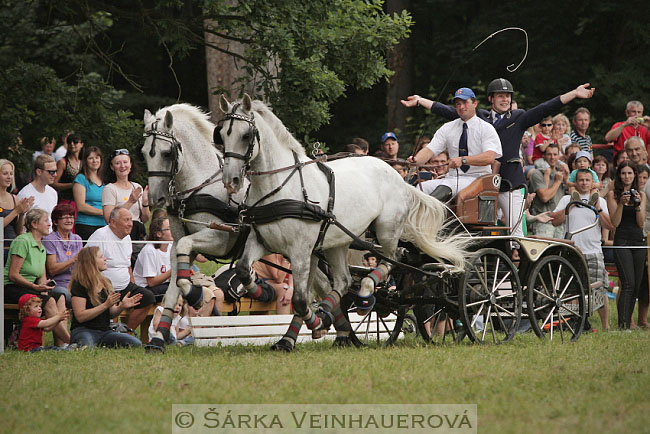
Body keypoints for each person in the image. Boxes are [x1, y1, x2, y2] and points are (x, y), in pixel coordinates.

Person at [403, 80, 595, 239]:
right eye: (500, 96)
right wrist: (420, 101)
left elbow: (546, 107)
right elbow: (448, 110)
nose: (505, 99)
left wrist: (574, 94)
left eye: (508, 96)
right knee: (482, 230)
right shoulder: (480, 117)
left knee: (516, 234)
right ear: (490, 99)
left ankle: (523, 275)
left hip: (508, 183)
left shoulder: (518, 117)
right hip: (482, 180)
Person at [406, 87, 502, 200]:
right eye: (458, 104)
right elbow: (429, 150)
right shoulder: (448, 128)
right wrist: (416, 160)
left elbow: (490, 157)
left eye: (465, 102)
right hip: (452, 178)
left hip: (478, 178)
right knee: (421, 188)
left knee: (446, 187)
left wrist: (463, 160)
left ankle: (432, 214)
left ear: (475, 103)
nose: (461, 107)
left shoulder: (486, 128)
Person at [550, 169, 613, 331]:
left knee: (599, 290)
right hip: (572, 251)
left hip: (593, 251)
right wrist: (570, 206)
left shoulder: (601, 201)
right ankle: (573, 323)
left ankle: (606, 326)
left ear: (592, 183)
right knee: (571, 290)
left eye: (587, 180)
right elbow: (554, 222)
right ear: (575, 182)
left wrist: (598, 207)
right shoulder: (566, 199)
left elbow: (609, 226)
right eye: (581, 180)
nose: (584, 183)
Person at [3, 208, 69, 345]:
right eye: (46, 221)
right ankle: (70, 341)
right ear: (34, 224)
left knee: (60, 297)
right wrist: (36, 287)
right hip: (11, 288)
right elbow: (13, 275)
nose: (49, 224)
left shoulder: (42, 247)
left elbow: (42, 278)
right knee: (49, 301)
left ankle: (61, 345)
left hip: (30, 288)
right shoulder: (22, 241)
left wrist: (45, 286)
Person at [86, 206, 156, 331]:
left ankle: (126, 331)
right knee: (109, 302)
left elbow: (127, 265)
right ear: (113, 222)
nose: (130, 224)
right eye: (126, 220)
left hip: (125, 286)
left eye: (131, 220)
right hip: (103, 288)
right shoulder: (100, 236)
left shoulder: (127, 238)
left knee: (148, 297)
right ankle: (109, 333)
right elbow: (87, 263)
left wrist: (133, 285)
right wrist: (101, 287)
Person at [69, 246, 142, 348]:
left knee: (136, 344)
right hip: (84, 329)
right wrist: (105, 305)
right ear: (91, 262)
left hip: (105, 331)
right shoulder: (79, 284)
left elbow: (111, 313)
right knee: (86, 347)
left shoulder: (106, 282)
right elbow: (80, 317)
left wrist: (122, 306)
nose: (105, 259)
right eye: (100, 257)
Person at [607, 161, 646, 329]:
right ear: (619, 175)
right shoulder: (612, 195)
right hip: (622, 241)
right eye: (623, 173)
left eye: (630, 173)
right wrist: (622, 203)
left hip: (638, 241)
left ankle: (628, 322)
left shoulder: (641, 195)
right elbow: (615, 222)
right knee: (627, 283)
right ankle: (622, 324)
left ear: (634, 175)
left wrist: (637, 205)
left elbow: (641, 223)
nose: (626, 177)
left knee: (636, 285)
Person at [101, 148, 150, 241]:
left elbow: (145, 219)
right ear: (112, 167)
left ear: (130, 164)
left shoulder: (137, 187)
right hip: (120, 236)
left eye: (125, 162)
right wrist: (130, 202)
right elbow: (109, 218)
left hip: (138, 234)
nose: (122, 166)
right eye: (118, 163)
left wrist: (145, 203)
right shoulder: (109, 189)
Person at [43, 203, 82, 307]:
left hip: (76, 283)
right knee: (65, 294)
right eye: (65, 218)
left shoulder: (77, 239)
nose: (69, 221)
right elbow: (52, 269)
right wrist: (73, 260)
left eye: (71, 217)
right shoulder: (50, 239)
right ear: (55, 222)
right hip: (58, 284)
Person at [529, 145, 566, 238]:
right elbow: (544, 197)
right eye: (549, 154)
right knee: (544, 251)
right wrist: (558, 181)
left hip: (560, 221)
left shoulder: (561, 172)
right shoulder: (537, 173)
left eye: (555, 154)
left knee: (559, 252)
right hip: (543, 221)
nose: (552, 157)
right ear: (544, 156)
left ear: (559, 156)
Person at [0, 159, 32, 261]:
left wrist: (22, 213)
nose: (9, 177)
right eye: (5, 173)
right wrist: (16, 212)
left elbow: (18, 231)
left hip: (13, 250)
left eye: (11, 173)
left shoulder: (14, 198)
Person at [133, 217, 172, 300]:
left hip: (163, 285)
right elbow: (151, 282)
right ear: (158, 234)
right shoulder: (149, 251)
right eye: (169, 228)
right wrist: (174, 270)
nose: (173, 230)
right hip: (145, 289)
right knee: (178, 290)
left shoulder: (171, 247)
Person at [73, 146, 106, 240]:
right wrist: (104, 212)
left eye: (97, 157)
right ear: (85, 161)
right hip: (86, 225)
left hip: (104, 225)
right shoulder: (81, 178)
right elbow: (81, 206)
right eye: (90, 158)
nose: (94, 161)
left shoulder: (104, 180)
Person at [17, 154, 58, 226]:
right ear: (39, 172)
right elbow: (20, 225)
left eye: (55, 171)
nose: (55, 174)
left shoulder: (53, 192)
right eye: (51, 172)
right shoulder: (25, 194)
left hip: (50, 236)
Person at [52, 133, 83, 208]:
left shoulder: (84, 162)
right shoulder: (63, 162)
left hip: (83, 201)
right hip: (67, 201)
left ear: (81, 144)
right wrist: (72, 185)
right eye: (69, 142)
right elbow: (53, 183)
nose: (72, 144)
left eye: (75, 141)